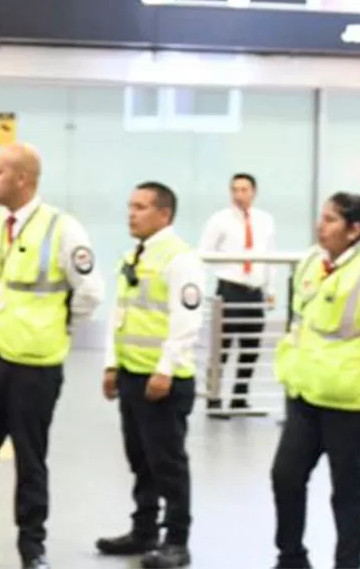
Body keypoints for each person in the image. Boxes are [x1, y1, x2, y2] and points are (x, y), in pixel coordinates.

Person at [0, 142, 103, 569]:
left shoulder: (62, 229)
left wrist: (56, 329)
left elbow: (90, 292)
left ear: (23, 179)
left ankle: (33, 548)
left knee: (31, 460)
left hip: (34, 368)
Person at [271, 192, 360, 569]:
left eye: (332, 219)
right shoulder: (309, 263)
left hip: (353, 402)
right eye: (322, 217)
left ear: (355, 230)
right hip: (305, 393)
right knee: (285, 476)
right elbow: (299, 320)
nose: (321, 225)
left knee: (346, 487)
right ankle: (291, 557)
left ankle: (348, 563)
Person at [98, 182, 204, 569]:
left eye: (141, 207)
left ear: (164, 215)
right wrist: (112, 363)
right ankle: (144, 531)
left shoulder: (180, 259)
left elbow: (186, 321)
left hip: (164, 381)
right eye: (130, 206)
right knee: (140, 458)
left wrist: (164, 371)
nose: (132, 213)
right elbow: (120, 311)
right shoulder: (135, 255)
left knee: (168, 463)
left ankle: (177, 539)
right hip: (132, 374)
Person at [198, 172, 276, 416]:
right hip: (230, 289)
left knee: (250, 347)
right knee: (221, 349)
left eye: (244, 190)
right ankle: (214, 398)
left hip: (254, 291)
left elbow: (270, 256)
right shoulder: (219, 220)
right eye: (235, 190)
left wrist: (270, 290)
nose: (239, 194)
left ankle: (240, 398)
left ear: (254, 192)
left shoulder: (265, 220)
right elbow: (204, 252)